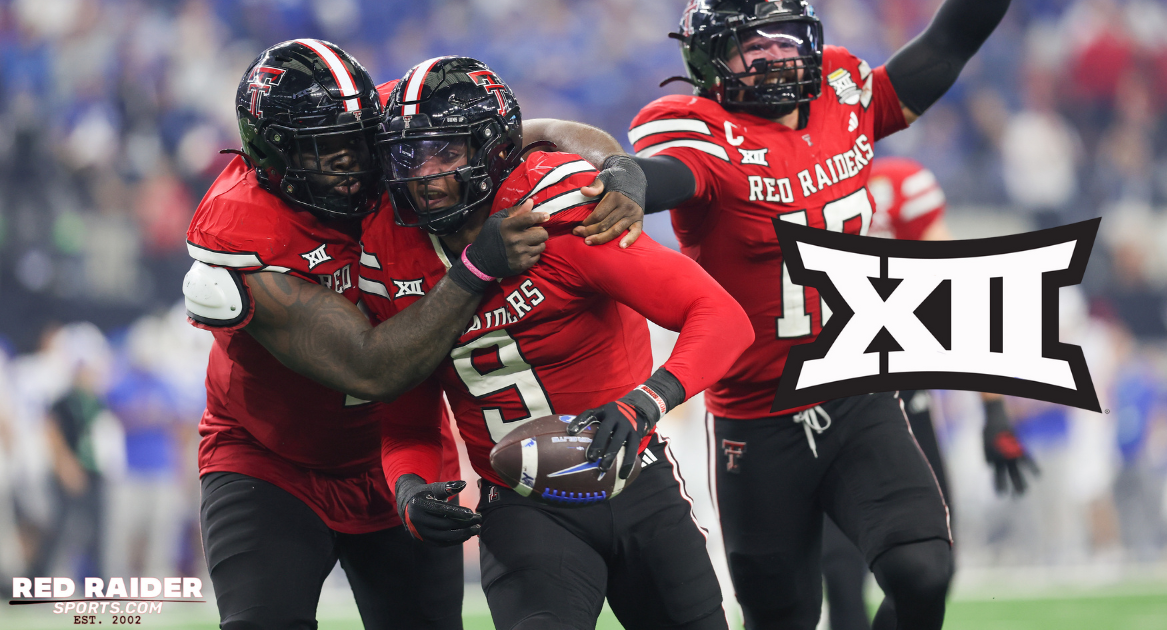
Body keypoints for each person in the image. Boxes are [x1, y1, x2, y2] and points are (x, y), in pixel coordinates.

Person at [184, 40, 646, 630]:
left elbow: (540, 132)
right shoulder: (242, 229)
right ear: (270, 155)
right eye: (322, 150)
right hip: (270, 459)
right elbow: (373, 369)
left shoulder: (381, 124)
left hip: (402, 453)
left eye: (354, 142)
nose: (350, 160)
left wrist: (621, 174)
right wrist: (477, 267)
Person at [626, 1, 1013, 628]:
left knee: (924, 569)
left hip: (857, 390)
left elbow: (949, 43)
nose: (775, 56)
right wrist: (623, 180)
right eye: (751, 45)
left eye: (784, 39)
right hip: (756, 419)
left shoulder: (844, 93)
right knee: (784, 617)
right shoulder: (696, 129)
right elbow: (663, 176)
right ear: (708, 62)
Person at [357, 56, 754, 630]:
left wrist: (646, 400)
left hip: (633, 476)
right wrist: (409, 488)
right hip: (519, 504)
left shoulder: (557, 208)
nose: (428, 176)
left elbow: (720, 316)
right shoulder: (386, 253)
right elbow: (406, 423)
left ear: (492, 150)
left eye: (447, 153)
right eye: (409, 156)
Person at [820, 157, 1039, 630]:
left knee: (932, 565)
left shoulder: (897, 184)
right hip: (821, 399)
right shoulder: (784, 178)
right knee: (839, 576)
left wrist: (994, 410)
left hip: (902, 400)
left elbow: (959, 292)